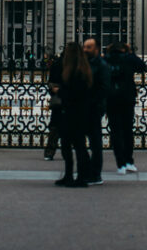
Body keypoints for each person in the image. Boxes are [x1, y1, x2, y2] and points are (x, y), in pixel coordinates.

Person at [104, 41, 145, 174]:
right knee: (127, 130)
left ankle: (120, 163)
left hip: (111, 98)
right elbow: (142, 67)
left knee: (115, 131)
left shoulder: (106, 59)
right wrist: (131, 54)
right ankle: (129, 161)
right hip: (127, 98)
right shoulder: (128, 59)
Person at [55, 42, 92, 188]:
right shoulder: (84, 69)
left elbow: (72, 94)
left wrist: (59, 92)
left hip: (72, 113)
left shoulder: (75, 72)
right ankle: (71, 175)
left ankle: (79, 177)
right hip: (79, 113)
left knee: (72, 146)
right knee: (76, 146)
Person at [82, 36, 111, 185]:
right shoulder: (84, 64)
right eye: (85, 47)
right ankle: (86, 170)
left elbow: (104, 88)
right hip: (82, 107)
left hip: (93, 108)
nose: (85, 49)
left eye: (88, 47)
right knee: (79, 141)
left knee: (95, 143)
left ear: (97, 49)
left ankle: (95, 174)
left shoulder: (102, 65)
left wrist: (99, 106)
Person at [44, 52, 63, 161]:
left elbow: (51, 83)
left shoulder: (57, 64)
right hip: (69, 100)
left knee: (55, 126)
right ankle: (67, 151)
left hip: (59, 100)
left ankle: (49, 152)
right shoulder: (77, 64)